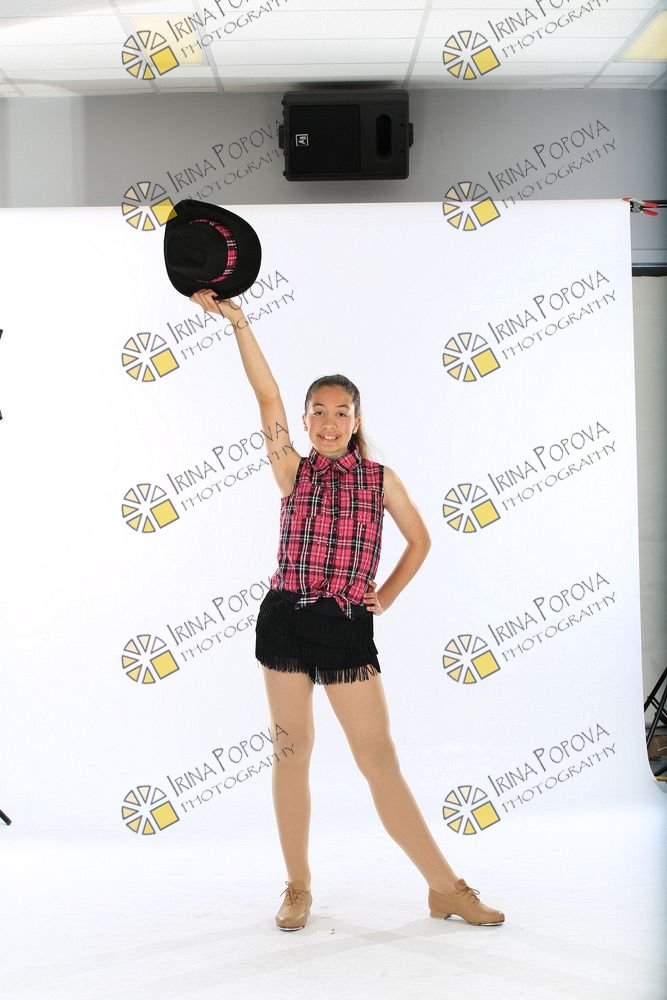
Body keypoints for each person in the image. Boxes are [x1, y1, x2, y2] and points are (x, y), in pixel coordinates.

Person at [190, 289, 505, 932]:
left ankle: (445, 888)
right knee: (291, 751)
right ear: (306, 421)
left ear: (357, 419)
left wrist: (384, 596)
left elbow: (420, 541)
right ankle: (297, 885)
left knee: (378, 759)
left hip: (346, 630)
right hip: (285, 621)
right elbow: (266, 396)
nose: (328, 423)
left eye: (341, 412)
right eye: (318, 413)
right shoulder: (292, 471)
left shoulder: (379, 479)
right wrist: (239, 322)